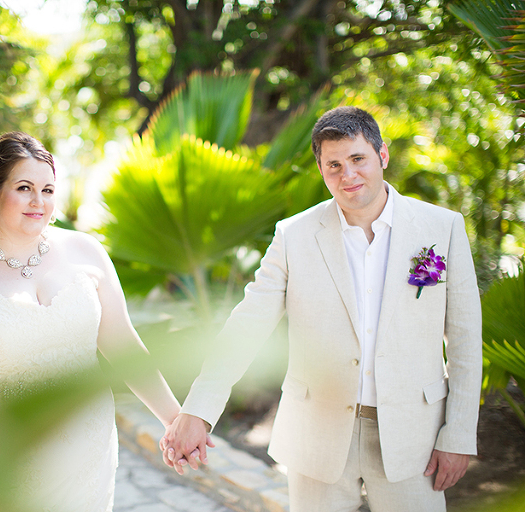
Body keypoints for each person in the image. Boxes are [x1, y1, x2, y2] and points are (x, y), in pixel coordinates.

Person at [160, 107, 482, 511]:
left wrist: (458, 436)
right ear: (321, 169)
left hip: (415, 435)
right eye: (334, 165)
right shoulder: (293, 235)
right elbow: (247, 326)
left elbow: (465, 339)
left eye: (358, 159)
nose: (348, 175)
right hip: (316, 434)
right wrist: (198, 411)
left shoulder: (441, 228)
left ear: (382, 155)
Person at [0, 131, 184, 512]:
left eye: (47, 190)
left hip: (87, 455)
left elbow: (125, 346)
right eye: (24, 188)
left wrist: (176, 421)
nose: (38, 202)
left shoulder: (86, 252)